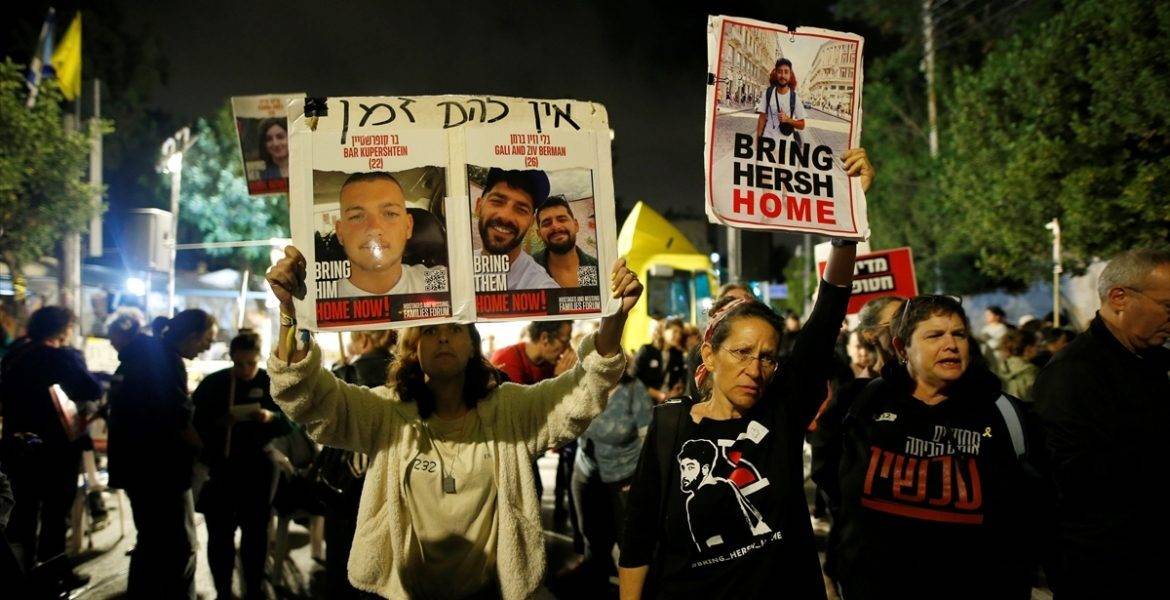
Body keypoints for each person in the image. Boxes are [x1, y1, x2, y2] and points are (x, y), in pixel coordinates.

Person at [265, 245, 642, 599]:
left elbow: (583, 391)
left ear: (473, 346)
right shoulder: (386, 412)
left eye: (455, 329)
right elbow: (310, 398)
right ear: (414, 347)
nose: (443, 337)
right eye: (430, 330)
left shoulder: (509, 411)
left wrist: (615, 317)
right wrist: (290, 313)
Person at [618, 147, 871, 599]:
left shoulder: (781, 412)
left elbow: (828, 311)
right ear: (709, 355)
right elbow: (639, 534)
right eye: (741, 352)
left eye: (768, 357)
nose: (755, 368)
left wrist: (846, 227)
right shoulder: (669, 424)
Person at [821, 295, 1050, 600]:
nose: (951, 345)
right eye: (934, 335)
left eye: (959, 334)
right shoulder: (859, 404)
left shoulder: (1006, 415)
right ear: (902, 348)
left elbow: (1034, 509)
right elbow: (836, 487)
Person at [1033, 248, 1170, 599]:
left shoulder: (1154, 362)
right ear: (1119, 298)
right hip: (1105, 566)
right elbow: (1074, 477)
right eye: (1167, 306)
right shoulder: (1073, 374)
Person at [107, 309, 218, 600]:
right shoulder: (164, 360)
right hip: (161, 471)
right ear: (192, 336)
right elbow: (176, 417)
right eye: (207, 339)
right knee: (180, 547)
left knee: (151, 543)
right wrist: (203, 452)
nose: (207, 346)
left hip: (136, 468)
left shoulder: (142, 355)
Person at [808, 295, 905, 597]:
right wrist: (853, 505)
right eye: (897, 321)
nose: (908, 326)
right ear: (871, 335)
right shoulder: (854, 398)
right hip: (866, 549)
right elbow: (825, 464)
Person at [0, 306, 101, 592]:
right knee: (56, 514)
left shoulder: (16, 353)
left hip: (18, 443)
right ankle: (54, 574)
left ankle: (21, 575)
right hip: (56, 447)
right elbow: (90, 388)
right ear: (61, 328)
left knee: (22, 512)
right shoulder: (58, 356)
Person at [192, 331, 292, 600]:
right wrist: (219, 423)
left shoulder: (271, 383)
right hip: (221, 467)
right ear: (232, 359)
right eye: (239, 364)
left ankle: (254, 589)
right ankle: (223, 591)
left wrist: (270, 417)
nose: (246, 370)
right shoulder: (215, 384)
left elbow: (290, 423)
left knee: (256, 533)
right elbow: (194, 423)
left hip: (258, 467)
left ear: (259, 358)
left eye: (251, 363)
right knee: (220, 535)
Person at [322, 330, 396, 599]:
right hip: (390, 475)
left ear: (364, 340)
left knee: (343, 553)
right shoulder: (407, 374)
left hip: (346, 482)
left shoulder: (344, 375)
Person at [570, 370, 653, 593]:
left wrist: (639, 479)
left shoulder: (634, 390)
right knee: (592, 537)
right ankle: (596, 587)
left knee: (628, 544)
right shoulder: (583, 384)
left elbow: (648, 441)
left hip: (624, 479)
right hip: (587, 473)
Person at [334, 172, 449, 297]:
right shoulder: (322, 297)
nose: (374, 228)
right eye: (356, 216)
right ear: (340, 232)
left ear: (408, 226)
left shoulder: (434, 283)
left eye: (390, 214)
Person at [474, 167, 558, 290]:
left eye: (521, 210)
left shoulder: (543, 289)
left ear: (531, 223)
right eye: (497, 202)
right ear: (478, 207)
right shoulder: (456, 267)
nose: (506, 216)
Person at [532, 195, 599, 288]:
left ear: (576, 225)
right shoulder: (529, 269)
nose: (555, 226)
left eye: (562, 219)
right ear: (539, 233)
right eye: (547, 223)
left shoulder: (595, 267)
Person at [490, 320, 576, 385]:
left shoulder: (550, 363)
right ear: (544, 338)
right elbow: (518, 403)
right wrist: (558, 379)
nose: (568, 349)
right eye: (565, 342)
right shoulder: (506, 360)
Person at [633, 317, 688, 403]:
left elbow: (681, 378)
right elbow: (634, 378)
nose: (678, 336)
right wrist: (658, 395)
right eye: (675, 331)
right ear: (663, 331)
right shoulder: (647, 350)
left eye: (680, 333)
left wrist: (678, 388)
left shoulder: (677, 354)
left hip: (668, 403)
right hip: (644, 402)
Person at [754, 58, 807, 145]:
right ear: (776, 73)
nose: (783, 75)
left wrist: (788, 120)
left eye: (786, 72)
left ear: (790, 75)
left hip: (786, 146)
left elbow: (802, 125)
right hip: (767, 143)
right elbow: (762, 118)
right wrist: (758, 141)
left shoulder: (794, 97)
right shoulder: (768, 93)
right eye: (780, 72)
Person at [996, 328, 1040, 401]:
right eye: (1037, 346)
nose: (1038, 349)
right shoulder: (1031, 371)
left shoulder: (1000, 367)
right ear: (1028, 348)